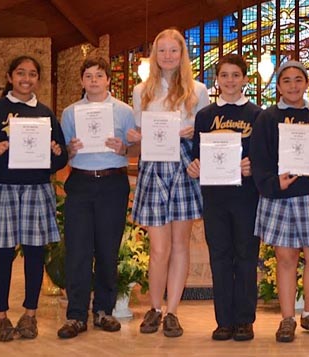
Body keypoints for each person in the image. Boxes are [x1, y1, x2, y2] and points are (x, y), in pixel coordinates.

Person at [0, 55, 68, 342]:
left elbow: (60, 156)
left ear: (37, 80)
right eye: (21, 73)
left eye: (32, 74)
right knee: (3, 255)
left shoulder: (45, 114)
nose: (26, 79)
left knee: (34, 254)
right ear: (10, 76)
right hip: (1, 188)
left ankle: (30, 315)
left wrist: (56, 154)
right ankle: (1, 317)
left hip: (35, 189)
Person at [127, 28, 210, 338]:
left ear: (182, 54)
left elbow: (207, 134)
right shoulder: (140, 91)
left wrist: (195, 135)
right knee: (158, 248)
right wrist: (134, 138)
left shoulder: (198, 90)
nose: (167, 56)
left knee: (179, 245)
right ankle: (154, 307)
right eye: (161, 50)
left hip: (184, 166)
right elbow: (136, 137)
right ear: (154, 55)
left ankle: (172, 311)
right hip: (153, 165)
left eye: (173, 50)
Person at [250, 60, 309, 343]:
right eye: (287, 80)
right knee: (285, 258)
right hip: (281, 196)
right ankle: (287, 318)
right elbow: (259, 158)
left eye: (299, 80)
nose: (293, 85)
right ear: (278, 86)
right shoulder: (267, 118)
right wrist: (274, 183)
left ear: (307, 84)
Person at [56, 57, 136, 339]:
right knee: (77, 250)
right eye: (88, 76)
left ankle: (104, 311)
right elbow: (61, 152)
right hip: (80, 182)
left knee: (107, 250)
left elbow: (136, 148)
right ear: (81, 81)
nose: (93, 80)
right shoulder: (69, 113)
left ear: (108, 80)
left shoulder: (125, 112)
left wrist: (124, 148)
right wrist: (71, 151)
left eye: (98, 75)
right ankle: (76, 315)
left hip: (113, 183)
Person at [186, 54, 262, 341]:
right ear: (216, 79)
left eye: (235, 75)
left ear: (245, 78)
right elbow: (196, 156)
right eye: (224, 75)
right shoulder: (205, 116)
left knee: (245, 256)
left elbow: (265, 156)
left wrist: (253, 165)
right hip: (215, 196)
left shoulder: (257, 114)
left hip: (246, 196)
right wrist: (194, 167)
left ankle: (244, 320)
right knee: (219, 257)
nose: (230, 80)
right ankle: (223, 321)